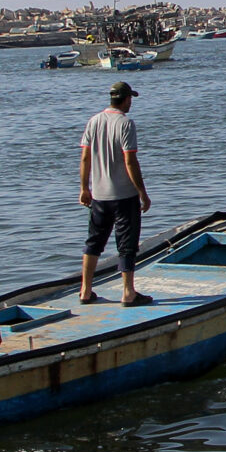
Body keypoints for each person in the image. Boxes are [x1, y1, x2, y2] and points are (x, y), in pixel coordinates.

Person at [80, 81, 153, 307]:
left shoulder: (94, 121)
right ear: (126, 99)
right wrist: (142, 192)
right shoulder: (125, 123)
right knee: (127, 245)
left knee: (94, 242)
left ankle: (85, 290)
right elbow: (130, 161)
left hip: (99, 195)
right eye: (130, 98)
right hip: (123, 195)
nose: (131, 102)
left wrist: (84, 188)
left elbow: (85, 158)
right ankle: (128, 293)